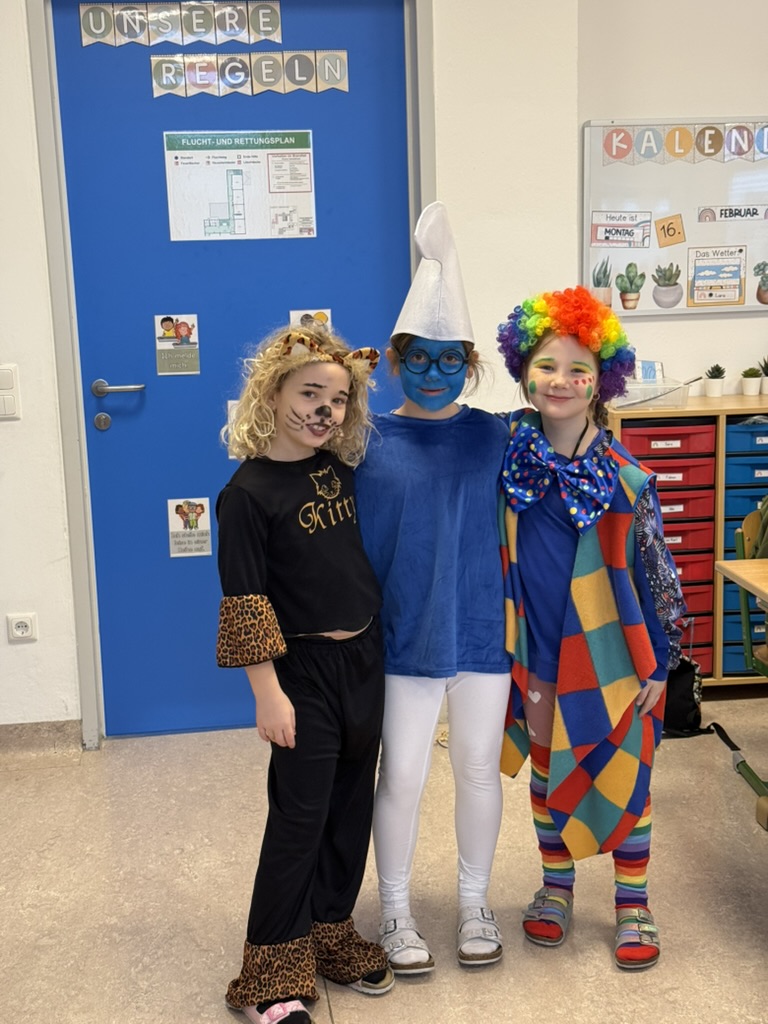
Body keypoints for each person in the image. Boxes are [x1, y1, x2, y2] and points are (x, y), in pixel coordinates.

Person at [495, 285, 685, 970]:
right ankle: (556, 888)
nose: (561, 380)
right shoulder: (505, 455)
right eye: (546, 365)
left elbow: (658, 575)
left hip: (615, 658)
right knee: (550, 776)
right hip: (538, 655)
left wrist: (659, 661)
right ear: (522, 370)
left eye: (579, 369)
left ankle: (633, 903)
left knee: (626, 778)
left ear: (602, 381)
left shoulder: (627, 478)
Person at [215, 324, 394, 1024]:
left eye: (339, 399)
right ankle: (270, 972)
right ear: (271, 393)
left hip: (364, 662)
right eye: (309, 393)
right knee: (300, 816)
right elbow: (245, 603)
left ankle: (330, 931)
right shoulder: (246, 493)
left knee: (351, 806)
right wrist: (269, 695)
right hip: (302, 674)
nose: (325, 410)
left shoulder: (340, 472)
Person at [355, 202, 511, 974]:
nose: (436, 371)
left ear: (470, 365)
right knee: (405, 774)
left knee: (478, 767)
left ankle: (476, 902)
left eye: (452, 360)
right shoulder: (365, 441)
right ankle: (394, 911)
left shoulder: (494, 434)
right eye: (420, 357)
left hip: (481, 631)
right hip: (403, 634)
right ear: (397, 360)